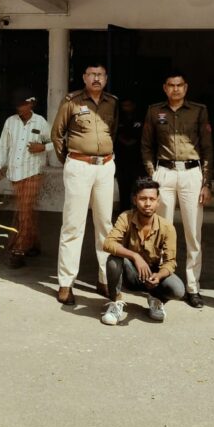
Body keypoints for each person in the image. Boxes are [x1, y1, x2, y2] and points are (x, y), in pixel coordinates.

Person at [140, 70, 214, 309]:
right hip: (164, 173)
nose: (175, 89)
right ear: (165, 88)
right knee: (161, 230)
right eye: (171, 85)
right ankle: (161, 283)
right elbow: (146, 145)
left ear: (186, 87)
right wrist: (152, 174)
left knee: (193, 232)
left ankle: (193, 287)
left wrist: (206, 182)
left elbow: (207, 148)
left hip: (191, 173)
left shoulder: (199, 110)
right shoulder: (154, 111)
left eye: (179, 85)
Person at [51, 62, 118, 306]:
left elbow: (113, 132)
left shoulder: (112, 102)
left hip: (105, 166)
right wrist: (70, 160)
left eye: (100, 74)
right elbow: (57, 134)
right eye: (92, 74)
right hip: (79, 165)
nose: (96, 78)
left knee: (105, 224)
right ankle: (66, 282)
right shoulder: (72, 101)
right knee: (73, 224)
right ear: (84, 77)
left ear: (106, 78)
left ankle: (105, 279)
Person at [100, 178, 185, 325]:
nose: (147, 203)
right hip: (131, 272)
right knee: (113, 261)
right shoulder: (125, 217)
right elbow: (108, 243)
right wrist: (135, 256)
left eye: (152, 199)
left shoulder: (167, 227)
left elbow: (170, 262)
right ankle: (115, 302)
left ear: (158, 202)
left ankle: (156, 299)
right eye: (143, 199)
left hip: (152, 275)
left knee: (178, 290)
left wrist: (159, 276)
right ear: (135, 200)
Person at [0, 91, 51, 268]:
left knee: (24, 211)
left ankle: (18, 249)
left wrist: (42, 147)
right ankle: (34, 244)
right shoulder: (10, 122)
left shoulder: (40, 122)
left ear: (31, 104)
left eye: (23, 104)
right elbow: (3, 145)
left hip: (33, 172)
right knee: (27, 211)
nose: (20, 108)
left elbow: (54, 142)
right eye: (17, 105)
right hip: (15, 172)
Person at [114, 98, 146, 214]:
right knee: (123, 187)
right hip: (121, 160)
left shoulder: (140, 119)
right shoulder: (118, 118)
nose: (126, 108)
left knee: (139, 187)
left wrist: (132, 141)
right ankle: (124, 213)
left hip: (137, 159)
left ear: (133, 105)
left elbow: (144, 136)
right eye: (124, 106)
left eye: (128, 105)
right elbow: (115, 135)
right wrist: (125, 141)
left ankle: (139, 212)